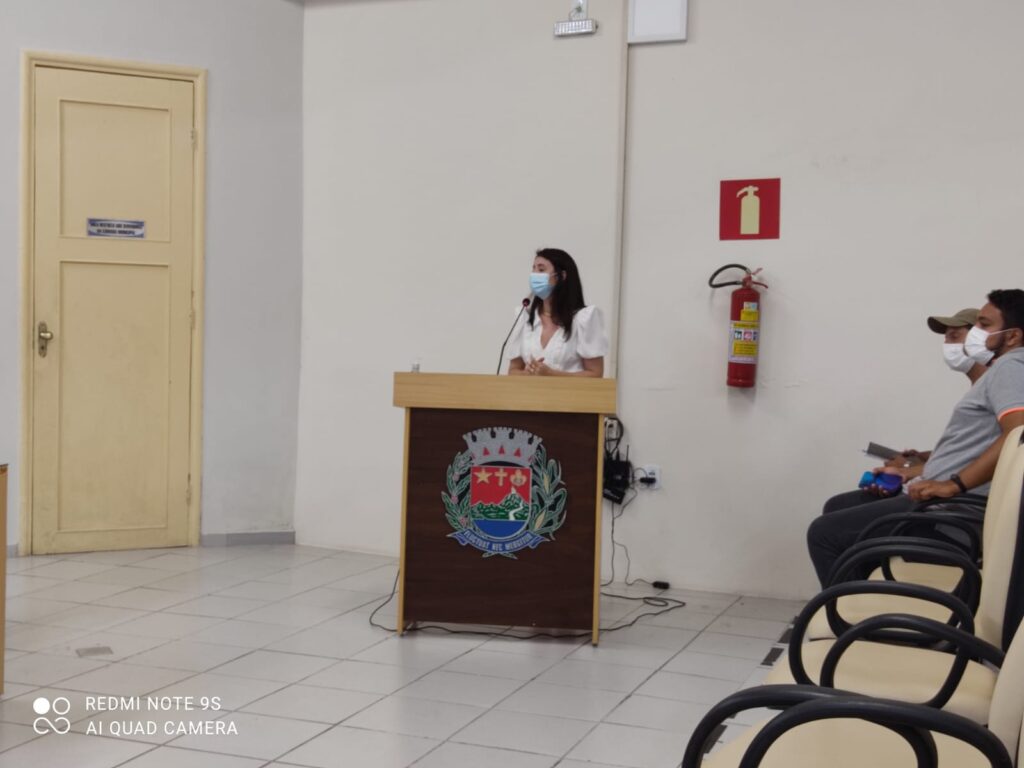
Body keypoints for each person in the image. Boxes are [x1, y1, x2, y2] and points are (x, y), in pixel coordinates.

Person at [807, 290, 1024, 586]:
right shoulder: (1004, 370)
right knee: (838, 510)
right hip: (946, 506)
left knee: (824, 534)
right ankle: (867, 601)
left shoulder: (1011, 367)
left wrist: (954, 484)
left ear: (1012, 336)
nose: (975, 333)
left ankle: (846, 610)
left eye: (984, 325)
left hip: (952, 516)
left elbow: (1018, 432)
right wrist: (916, 472)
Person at [507, 248, 608, 377]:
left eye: (541, 270)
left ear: (562, 276)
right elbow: (513, 371)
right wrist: (528, 375)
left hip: (569, 391)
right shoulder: (525, 317)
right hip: (529, 390)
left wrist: (551, 374)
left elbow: (595, 374)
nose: (534, 275)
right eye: (533, 269)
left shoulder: (584, 318)